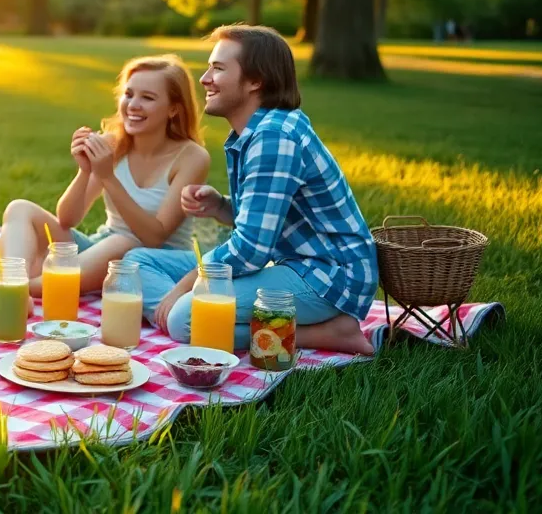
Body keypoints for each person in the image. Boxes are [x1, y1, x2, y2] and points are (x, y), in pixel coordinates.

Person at [131, 25, 377, 355]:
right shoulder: (262, 130)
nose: (204, 79)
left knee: (184, 319)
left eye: (217, 68)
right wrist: (221, 206)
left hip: (327, 279)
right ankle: (193, 309)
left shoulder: (273, 138)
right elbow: (269, 219)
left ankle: (327, 333)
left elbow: (251, 249)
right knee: (137, 262)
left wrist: (186, 286)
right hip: (290, 266)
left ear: (255, 81)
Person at [0, 55, 210, 296]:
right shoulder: (113, 144)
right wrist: (85, 172)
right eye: (128, 94)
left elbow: (154, 237)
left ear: (173, 109)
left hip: (151, 260)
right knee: (19, 208)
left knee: (123, 242)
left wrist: (108, 177)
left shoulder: (192, 157)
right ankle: (11, 277)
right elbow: (67, 219)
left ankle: (20, 290)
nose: (133, 104)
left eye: (147, 97)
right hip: (98, 249)